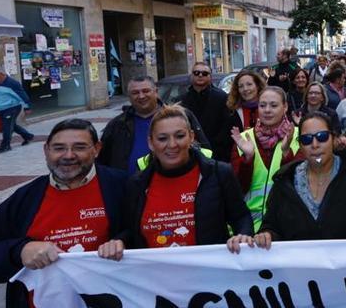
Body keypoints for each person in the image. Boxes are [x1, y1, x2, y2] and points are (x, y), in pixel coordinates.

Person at [0, 119, 126, 306]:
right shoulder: (24, 199)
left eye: (79, 147)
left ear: (96, 149)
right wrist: (19, 251)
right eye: (58, 148)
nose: (68, 155)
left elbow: (145, 239)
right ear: (46, 151)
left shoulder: (122, 187)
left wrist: (123, 242)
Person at [105, 105, 253, 254]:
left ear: (191, 137)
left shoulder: (219, 173)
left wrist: (243, 236)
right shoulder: (137, 183)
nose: (172, 145)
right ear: (150, 143)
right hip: (156, 274)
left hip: (208, 273)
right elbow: (131, 231)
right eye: (162, 138)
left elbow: (241, 217)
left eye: (180, 136)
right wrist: (119, 241)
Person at [232, 112, 346, 250]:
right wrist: (266, 236)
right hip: (298, 277)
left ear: (333, 139)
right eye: (307, 140)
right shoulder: (285, 179)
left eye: (321, 137)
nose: (315, 145)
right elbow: (271, 225)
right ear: (300, 145)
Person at [100, 76, 210, 172]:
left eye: (146, 91)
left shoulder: (180, 116)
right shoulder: (117, 124)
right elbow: (103, 160)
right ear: (129, 96)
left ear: (156, 92)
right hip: (130, 189)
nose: (141, 96)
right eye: (135, 93)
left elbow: (204, 151)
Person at [230, 87, 301, 230]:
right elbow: (236, 189)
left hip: (287, 225)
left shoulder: (299, 135)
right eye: (262, 105)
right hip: (249, 228)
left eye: (274, 105)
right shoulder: (243, 139)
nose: (267, 110)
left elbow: (300, 183)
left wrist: (286, 153)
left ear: (285, 107)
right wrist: (247, 159)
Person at [180, 62, 232, 159]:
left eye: (204, 73)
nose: (200, 75)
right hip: (190, 153)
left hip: (217, 153)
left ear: (210, 76)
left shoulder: (221, 97)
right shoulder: (183, 100)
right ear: (191, 76)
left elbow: (226, 126)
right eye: (196, 73)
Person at [0, 67, 35, 154]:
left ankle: (5, 146)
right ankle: (28, 136)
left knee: (6, 127)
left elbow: (22, 95)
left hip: (12, 108)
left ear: (1, 74)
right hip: (1, 110)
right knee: (12, 125)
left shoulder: (12, 83)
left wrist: (27, 107)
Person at [226, 69, 266, 134]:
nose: (245, 89)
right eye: (241, 86)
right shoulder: (232, 111)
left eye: (249, 84)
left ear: (258, 86)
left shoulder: (269, 108)